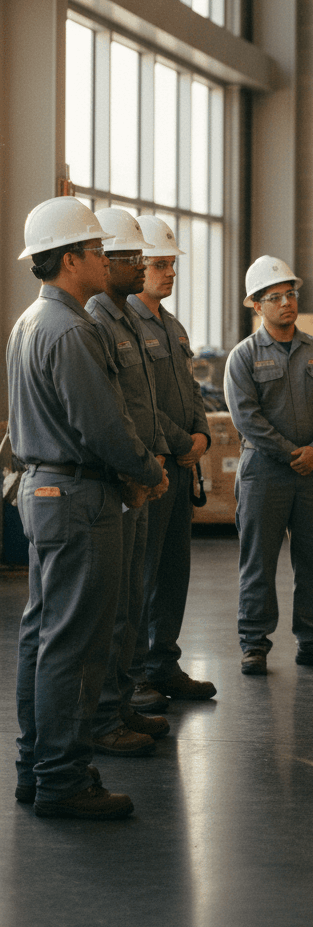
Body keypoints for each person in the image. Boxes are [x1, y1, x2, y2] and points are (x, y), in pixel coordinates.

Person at [8, 197, 166, 820]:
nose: (107, 260)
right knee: (75, 646)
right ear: (70, 259)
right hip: (79, 499)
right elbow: (102, 424)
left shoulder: (30, 322)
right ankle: (63, 780)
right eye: (98, 250)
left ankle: (35, 768)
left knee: (42, 639)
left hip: (43, 492)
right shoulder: (72, 329)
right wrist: (147, 471)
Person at [224, 255, 313, 675]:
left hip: (312, 473)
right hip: (264, 473)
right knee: (258, 562)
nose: (285, 303)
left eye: (290, 294)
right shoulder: (242, 358)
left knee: (312, 560)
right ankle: (254, 644)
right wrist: (290, 452)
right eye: (274, 297)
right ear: (256, 305)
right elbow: (247, 418)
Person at [86, 208, 172, 755]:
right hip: (120, 482)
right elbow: (108, 413)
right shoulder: (93, 321)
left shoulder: (128, 321)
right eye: (131, 258)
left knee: (133, 599)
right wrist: (137, 470)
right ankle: (102, 719)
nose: (142, 266)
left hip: (142, 475)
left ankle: (119, 706)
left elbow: (145, 404)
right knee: (112, 611)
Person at [127, 215, 215, 709]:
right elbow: (140, 403)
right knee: (143, 572)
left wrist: (202, 433)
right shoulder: (123, 324)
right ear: (136, 265)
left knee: (173, 571)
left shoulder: (173, 326)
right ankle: (135, 672)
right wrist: (182, 440)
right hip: (158, 464)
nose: (169, 273)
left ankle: (164, 662)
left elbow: (191, 389)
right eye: (160, 264)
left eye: (172, 264)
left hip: (183, 465)